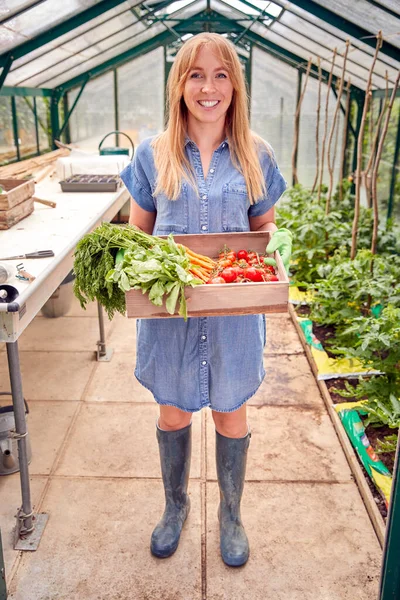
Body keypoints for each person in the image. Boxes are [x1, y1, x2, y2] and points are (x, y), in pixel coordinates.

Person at [120, 32, 291, 567]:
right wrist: (131, 267)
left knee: (230, 416)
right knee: (173, 416)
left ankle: (231, 515)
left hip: (234, 317)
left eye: (220, 75)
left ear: (234, 86)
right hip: (170, 314)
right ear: (180, 84)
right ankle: (175, 507)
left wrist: (275, 246)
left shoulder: (254, 152)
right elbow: (138, 233)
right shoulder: (154, 152)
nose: (208, 87)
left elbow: (264, 228)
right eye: (196, 75)